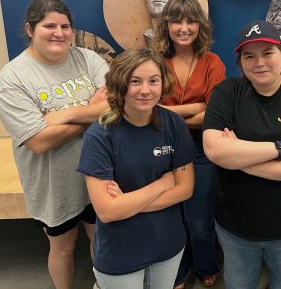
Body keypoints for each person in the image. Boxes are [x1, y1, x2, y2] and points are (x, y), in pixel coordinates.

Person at [203, 20, 281, 289]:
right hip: (235, 225)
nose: (259, 62)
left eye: (268, 53)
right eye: (249, 56)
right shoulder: (226, 93)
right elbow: (215, 149)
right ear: (239, 62)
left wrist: (239, 159)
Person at [0, 0, 109, 289]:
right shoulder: (13, 79)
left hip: (98, 172)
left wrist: (62, 115)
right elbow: (39, 142)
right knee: (63, 247)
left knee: (103, 240)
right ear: (30, 30)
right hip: (53, 184)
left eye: (65, 26)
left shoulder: (88, 58)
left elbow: (112, 107)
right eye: (49, 26)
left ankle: (106, 284)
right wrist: (90, 111)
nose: (59, 33)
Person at [77, 47, 195, 289]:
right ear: (120, 84)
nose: (145, 90)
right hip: (120, 252)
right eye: (135, 81)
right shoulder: (100, 135)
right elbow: (107, 212)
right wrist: (162, 183)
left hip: (168, 245)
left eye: (153, 81)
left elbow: (185, 189)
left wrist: (126, 204)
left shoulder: (173, 124)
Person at [153, 0, 225, 288]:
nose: (184, 27)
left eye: (191, 20)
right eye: (176, 20)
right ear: (166, 25)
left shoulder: (212, 62)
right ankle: (179, 272)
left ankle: (206, 263)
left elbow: (213, 117)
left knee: (199, 222)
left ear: (200, 25)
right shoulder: (155, 61)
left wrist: (166, 113)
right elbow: (146, 110)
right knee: (171, 219)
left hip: (201, 150)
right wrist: (193, 108)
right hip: (161, 150)